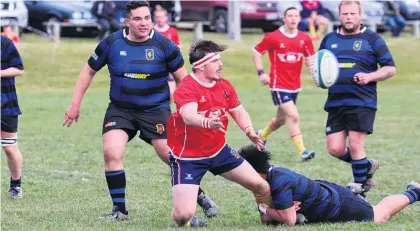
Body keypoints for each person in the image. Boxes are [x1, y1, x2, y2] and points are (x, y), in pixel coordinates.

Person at [62, 1, 217, 220]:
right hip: (120, 109)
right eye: (137, 19)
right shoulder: (112, 43)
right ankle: (120, 210)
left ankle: (199, 196)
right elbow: (88, 70)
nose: (143, 23)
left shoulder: (165, 45)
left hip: (155, 109)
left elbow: (184, 81)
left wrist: (193, 111)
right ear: (127, 21)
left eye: (147, 18)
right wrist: (75, 104)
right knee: (111, 152)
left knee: (171, 157)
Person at [167, 40, 272, 227]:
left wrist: (248, 130)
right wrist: (207, 122)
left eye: (220, 60)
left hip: (219, 152)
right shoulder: (186, 87)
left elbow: (238, 111)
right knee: (183, 215)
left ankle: (270, 218)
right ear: (200, 67)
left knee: (261, 186)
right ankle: (189, 219)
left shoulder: (224, 86)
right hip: (188, 158)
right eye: (215, 61)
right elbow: (189, 116)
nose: (221, 64)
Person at [319, 0, 396, 198]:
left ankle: (359, 190)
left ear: (360, 15)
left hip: (362, 101)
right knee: (335, 148)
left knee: (355, 145)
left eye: (353, 13)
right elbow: (320, 67)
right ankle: (367, 165)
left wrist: (370, 76)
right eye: (345, 14)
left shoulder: (372, 38)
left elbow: (390, 69)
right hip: (335, 102)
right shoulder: (328, 39)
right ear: (339, 15)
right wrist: (319, 77)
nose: (348, 17)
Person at [238, 144, 420, 226]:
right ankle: (353, 191)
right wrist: (273, 212)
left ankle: (414, 192)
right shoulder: (269, 180)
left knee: (379, 214)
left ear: (253, 171)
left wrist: (266, 210)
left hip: (338, 202)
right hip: (328, 194)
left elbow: (289, 221)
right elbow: (268, 223)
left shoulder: (279, 183)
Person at [252, 7, 316, 162]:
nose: (293, 19)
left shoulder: (304, 38)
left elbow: (311, 59)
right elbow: (257, 52)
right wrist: (261, 73)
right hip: (278, 85)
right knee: (293, 116)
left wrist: (316, 73)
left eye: (296, 16)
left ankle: (262, 135)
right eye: (290, 16)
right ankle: (302, 151)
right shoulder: (273, 37)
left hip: (294, 85)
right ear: (284, 19)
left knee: (281, 120)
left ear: (300, 19)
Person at [1, 35, 25, 199]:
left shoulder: (5, 43)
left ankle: (16, 185)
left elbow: (19, 69)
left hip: (5, 104)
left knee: (9, 148)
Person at [153, 7, 181, 102]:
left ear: (166, 18)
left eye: (161, 17)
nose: (159, 19)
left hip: (169, 63)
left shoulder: (173, 31)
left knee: (171, 91)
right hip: (155, 64)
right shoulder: (151, 31)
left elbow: (177, 47)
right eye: (157, 17)